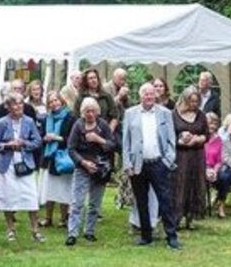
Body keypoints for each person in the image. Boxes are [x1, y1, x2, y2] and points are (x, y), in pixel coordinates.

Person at [121, 83, 182, 248]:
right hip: (138, 165)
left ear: (155, 95)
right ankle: (146, 235)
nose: (149, 97)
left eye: (151, 94)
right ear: (140, 96)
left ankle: (172, 236)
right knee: (141, 201)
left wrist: (167, 161)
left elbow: (171, 139)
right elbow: (126, 142)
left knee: (165, 200)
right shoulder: (130, 113)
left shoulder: (165, 113)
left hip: (158, 163)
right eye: (146, 94)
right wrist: (128, 164)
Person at [0, 94, 44, 243]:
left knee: (31, 196)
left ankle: (35, 230)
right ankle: (10, 229)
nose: (18, 107)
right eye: (15, 104)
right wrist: (7, 145)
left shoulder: (29, 121)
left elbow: (38, 141)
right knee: (8, 196)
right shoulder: (2, 122)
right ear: (8, 107)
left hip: (25, 162)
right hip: (7, 164)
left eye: (21, 103)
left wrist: (24, 143)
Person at [66, 97, 114, 245]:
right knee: (77, 202)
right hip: (82, 167)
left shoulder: (103, 125)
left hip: (100, 169)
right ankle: (72, 233)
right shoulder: (78, 125)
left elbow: (112, 145)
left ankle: (89, 231)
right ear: (83, 112)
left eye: (93, 111)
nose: (90, 114)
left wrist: (98, 139)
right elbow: (71, 149)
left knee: (95, 203)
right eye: (87, 111)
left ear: (97, 111)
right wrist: (83, 162)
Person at [171, 89, 210, 229]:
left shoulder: (201, 115)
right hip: (180, 155)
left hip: (197, 154)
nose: (194, 104)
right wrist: (180, 139)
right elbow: (169, 135)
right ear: (185, 100)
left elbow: (206, 134)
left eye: (196, 101)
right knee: (180, 184)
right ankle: (178, 215)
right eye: (191, 101)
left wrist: (198, 139)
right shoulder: (173, 115)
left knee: (195, 183)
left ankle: (191, 216)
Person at [39, 91, 76, 232]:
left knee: (64, 188)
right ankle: (48, 217)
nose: (54, 104)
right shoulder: (47, 118)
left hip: (63, 156)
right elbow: (41, 136)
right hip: (49, 157)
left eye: (56, 100)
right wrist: (45, 138)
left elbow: (72, 138)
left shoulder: (70, 117)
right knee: (49, 188)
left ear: (61, 100)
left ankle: (63, 218)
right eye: (51, 102)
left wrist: (56, 138)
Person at [202, 112, 229, 218]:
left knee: (225, 177)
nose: (212, 126)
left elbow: (219, 160)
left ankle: (221, 205)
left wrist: (215, 171)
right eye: (209, 123)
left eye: (214, 123)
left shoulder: (219, 140)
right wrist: (205, 170)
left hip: (214, 169)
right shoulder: (200, 138)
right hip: (200, 169)